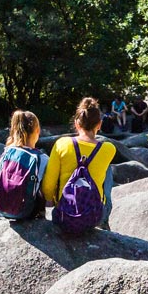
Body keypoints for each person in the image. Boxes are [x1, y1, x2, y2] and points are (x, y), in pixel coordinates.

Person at [42, 96, 115, 232]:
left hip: (64, 215)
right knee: (107, 169)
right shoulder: (109, 149)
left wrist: (51, 199)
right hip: (94, 217)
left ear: (77, 123)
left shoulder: (62, 144)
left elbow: (48, 187)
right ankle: (104, 222)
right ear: (99, 124)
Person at [0, 110, 46, 221]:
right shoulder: (41, 158)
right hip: (25, 212)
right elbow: (48, 189)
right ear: (37, 130)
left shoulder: (7, 151)